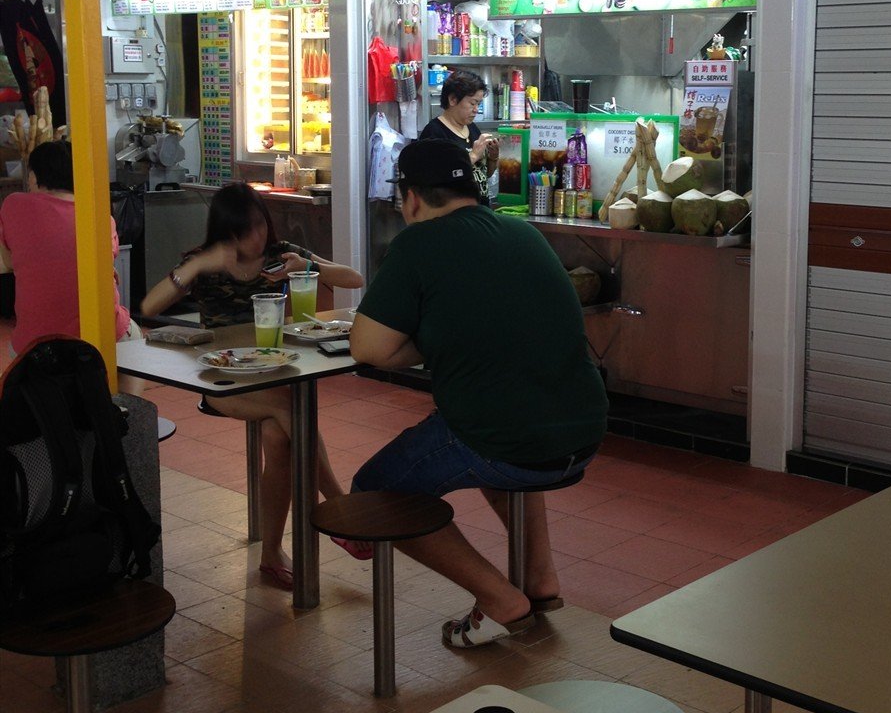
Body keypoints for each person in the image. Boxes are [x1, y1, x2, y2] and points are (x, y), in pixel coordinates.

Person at [348, 139, 608, 647]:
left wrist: (422, 344)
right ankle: (541, 580)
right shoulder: (522, 232)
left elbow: (369, 348)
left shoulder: (419, 244)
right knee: (503, 453)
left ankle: (500, 598)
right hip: (583, 432)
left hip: (505, 436)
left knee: (375, 493)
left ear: (412, 198)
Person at [141, 181, 365, 589]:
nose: (256, 237)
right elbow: (148, 307)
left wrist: (308, 266)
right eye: (244, 230)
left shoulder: (282, 256)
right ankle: (341, 513)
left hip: (276, 370)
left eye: (260, 225)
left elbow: (353, 278)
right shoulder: (205, 262)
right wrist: (195, 266)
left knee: (280, 437)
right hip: (222, 379)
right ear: (226, 232)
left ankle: (271, 555)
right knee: (290, 410)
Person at [0, 139, 137, 357]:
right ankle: (118, 392)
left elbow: (8, 262)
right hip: (98, 338)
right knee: (134, 334)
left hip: (31, 345)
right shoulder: (101, 215)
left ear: (34, 176)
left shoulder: (13, 205)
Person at [418, 69, 498, 201]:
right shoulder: (434, 133)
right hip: (454, 215)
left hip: (479, 210)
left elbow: (483, 175)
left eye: (478, 104)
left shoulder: (473, 129)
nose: (476, 110)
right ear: (453, 100)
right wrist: (472, 156)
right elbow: (436, 179)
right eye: (472, 103)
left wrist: (492, 158)